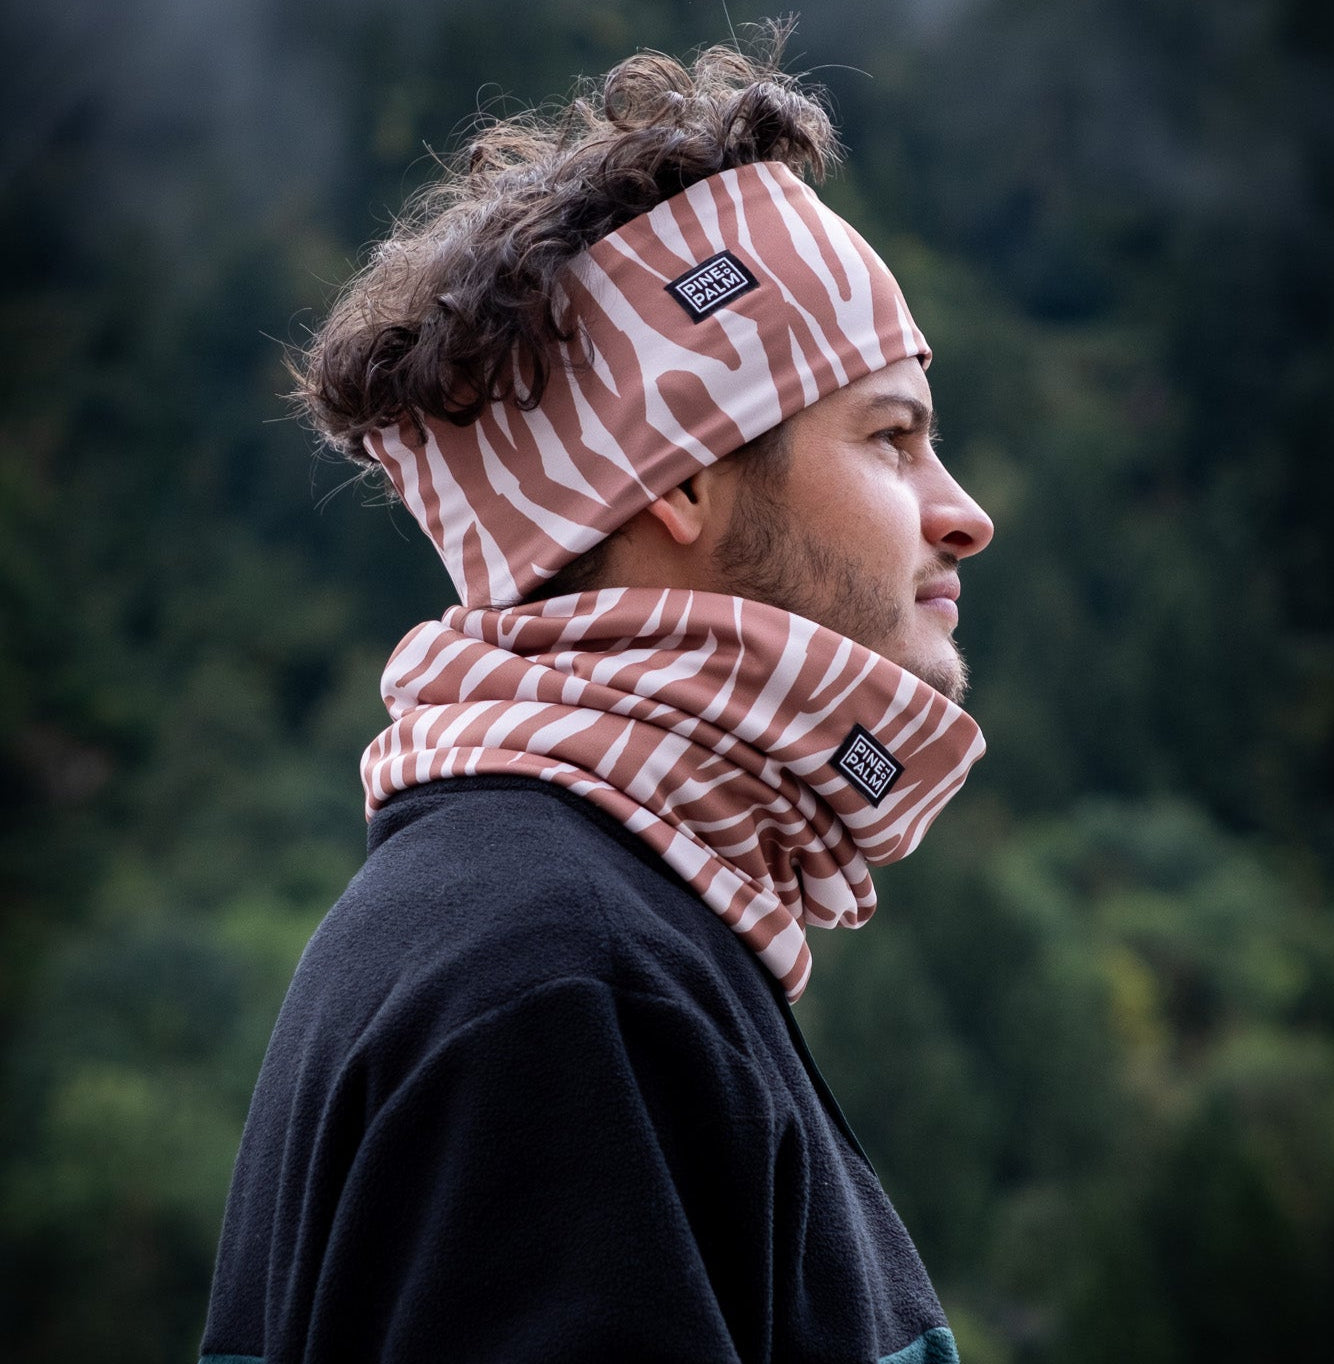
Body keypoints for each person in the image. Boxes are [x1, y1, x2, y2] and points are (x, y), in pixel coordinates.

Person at [201, 28, 992, 1364]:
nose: (962, 513)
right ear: (677, 484)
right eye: (891, 438)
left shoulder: (560, 918)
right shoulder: (563, 982)